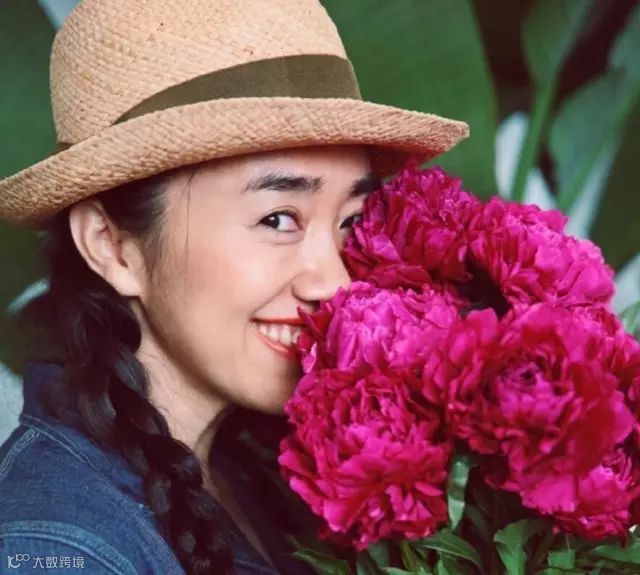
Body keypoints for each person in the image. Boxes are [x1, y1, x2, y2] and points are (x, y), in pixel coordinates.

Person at [0, 0, 468, 573]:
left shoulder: (241, 470)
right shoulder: (57, 551)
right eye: (278, 219)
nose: (335, 283)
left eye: (349, 221)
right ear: (110, 245)